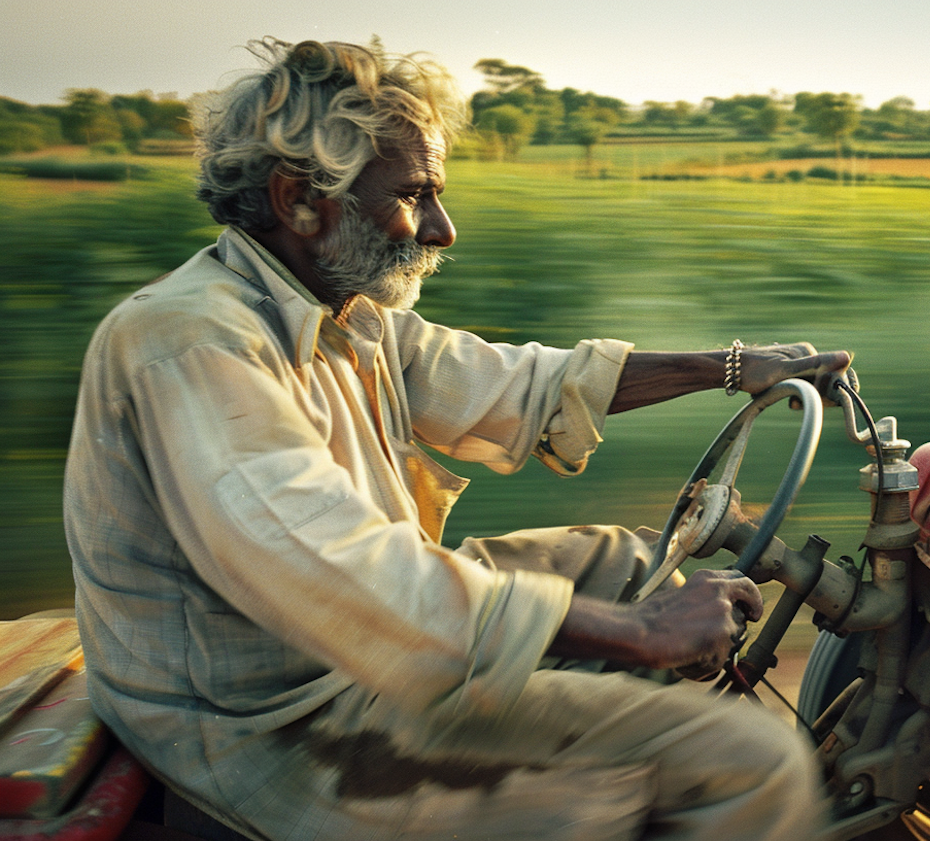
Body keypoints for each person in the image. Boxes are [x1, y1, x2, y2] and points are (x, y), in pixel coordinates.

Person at [63, 38, 847, 841]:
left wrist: (734, 364)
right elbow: (341, 569)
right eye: (415, 195)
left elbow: (513, 383)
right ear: (299, 199)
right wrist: (645, 632)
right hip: (279, 721)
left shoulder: (340, 315)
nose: (443, 230)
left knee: (633, 560)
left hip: (340, 649)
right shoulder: (192, 342)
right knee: (749, 761)